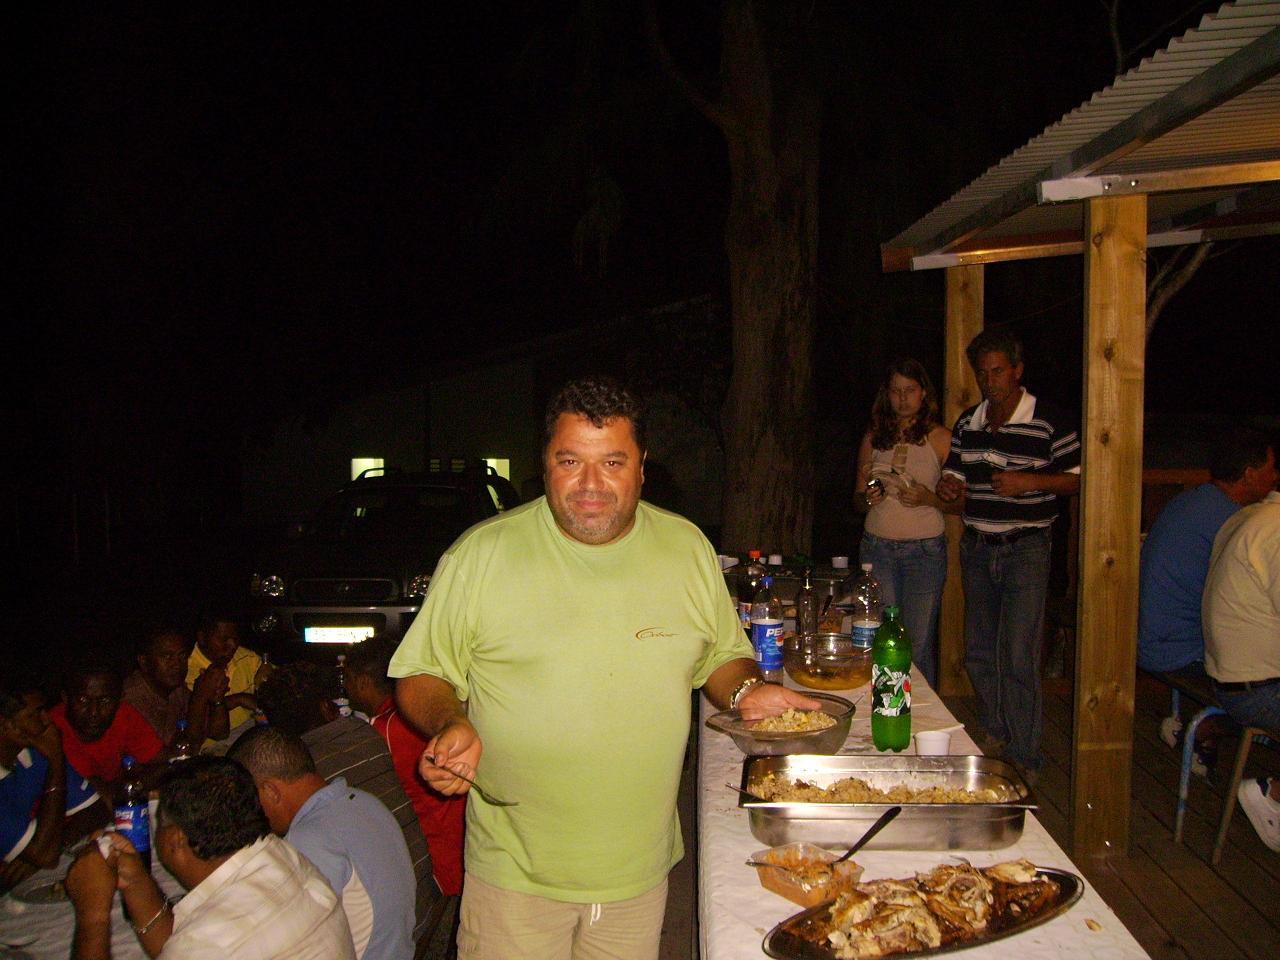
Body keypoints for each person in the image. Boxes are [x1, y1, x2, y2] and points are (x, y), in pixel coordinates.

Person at [389, 375, 817, 960]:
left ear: (641, 468)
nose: (591, 484)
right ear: (545, 465)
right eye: (570, 461)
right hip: (517, 878)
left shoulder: (687, 547)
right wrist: (449, 723)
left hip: (639, 874)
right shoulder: (481, 555)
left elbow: (720, 654)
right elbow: (421, 673)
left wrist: (747, 690)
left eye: (612, 462)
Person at [935, 331, 1080, 775]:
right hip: (978, 545)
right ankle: (996, 729)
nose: (989, 381)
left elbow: (1077, 478)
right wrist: (949, 486)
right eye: (982, 373)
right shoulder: (969, 422)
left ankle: (1026, 752)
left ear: (1017, 370)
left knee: (1018, 653)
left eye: (997, 371)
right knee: (979, 650)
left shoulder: (1048, 420)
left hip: (1026, 549)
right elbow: (954, 476)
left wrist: (1029, 482)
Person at [64, 755, 355, 959]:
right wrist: (136, 881)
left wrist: (93, 913)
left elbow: (200, 945)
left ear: (176, 840)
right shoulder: (283, 856)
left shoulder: (206, 945)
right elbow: (177, 942)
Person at [255, 660, 439, 944]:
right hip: (424, 902)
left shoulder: (303, 776)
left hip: (396, 932)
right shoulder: (362, 733)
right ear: (327, 707)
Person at [1138, 428, 1277, 771]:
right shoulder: (1233, 520)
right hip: (1177, 647)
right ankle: (1209, 731)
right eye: (1271, 469)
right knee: (1255, 676)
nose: (1275, 477)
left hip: (1155, 635)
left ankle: (1203, 730)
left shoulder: (1196, 501)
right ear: (1249, 474)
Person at [229, 726, 416, 960]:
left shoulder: (306, 841)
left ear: (270, 791)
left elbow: (288, 943)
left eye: (249, 800)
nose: (249, 813)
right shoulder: (365, 802)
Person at [854, 358, 957, 688]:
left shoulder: (941, 438)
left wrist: (928, 498)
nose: (902, 398)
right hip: (878, 549)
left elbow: (960, 502)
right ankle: (885, 703)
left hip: (924, 552)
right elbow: (857, 498)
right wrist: (869, 497)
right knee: (882, 636)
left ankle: (919, 713)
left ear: (923, 393)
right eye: (896, 391)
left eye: (909, 390)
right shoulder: (875, 436)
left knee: (917, 644)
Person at [344, 637, 465, 897]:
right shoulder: (424, 716)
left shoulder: (383, 731)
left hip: (435, 864)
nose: (345, 688)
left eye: (347, 680)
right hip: (462, 849)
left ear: (362, 682)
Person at [1202, 475, 1280, 851]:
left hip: (1229, 675)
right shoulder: (1276, 529)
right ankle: (1272, 794)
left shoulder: (1250, 516)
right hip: (1257, 690)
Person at [1, 678, 105, 892]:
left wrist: (52, 847)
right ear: (8, 726)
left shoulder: (32, 753)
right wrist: (57, 762)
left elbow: (97, 810)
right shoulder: (47, 751)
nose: (47, 720)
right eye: (36, 713)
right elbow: (46, 857)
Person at [50, 656, 165, 786]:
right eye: (83, 700)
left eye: (105, 701)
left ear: (120, 699)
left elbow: (163, 761)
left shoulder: (124, 714)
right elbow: (93, 792)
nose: (94, 711)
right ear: (66, 698)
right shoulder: (52, 731)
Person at [123, 621, 230, 746]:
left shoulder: (175, 688)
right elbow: (183, 750)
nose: (177, 664)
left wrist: (217, 698)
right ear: (144, 662)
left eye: (182, 656)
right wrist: (200, 697)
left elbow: (219, 733)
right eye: (167, 657)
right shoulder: (133, 700)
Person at [184, 607, 265, 733]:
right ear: (202, 638)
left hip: (250, 731)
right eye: (224, 639)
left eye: (235, 639)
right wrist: (238, 699)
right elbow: (205, 727)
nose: (233, 645)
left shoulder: (247, 657)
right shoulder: (185, 671)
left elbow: (278, 684)